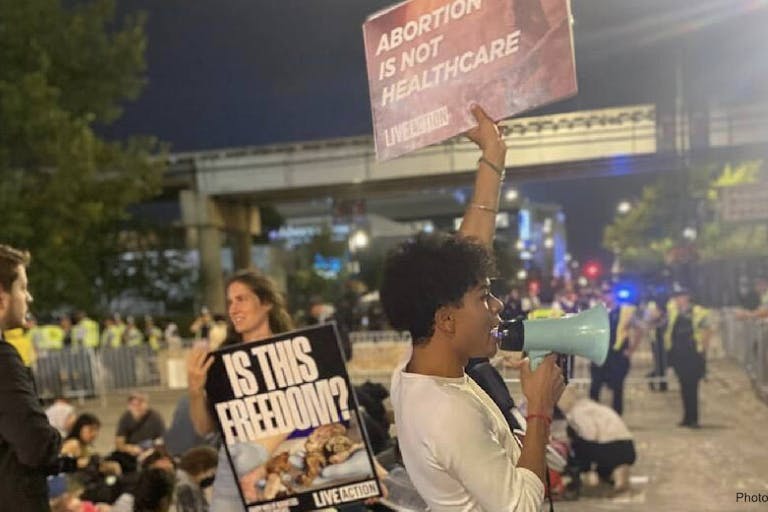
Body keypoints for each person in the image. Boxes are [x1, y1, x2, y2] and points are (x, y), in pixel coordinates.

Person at [380, 106, 565, 512]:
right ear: (446, 320)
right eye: (485, 297)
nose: (498, 306)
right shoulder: (449, 412)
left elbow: (466, 257)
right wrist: (538, 410)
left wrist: (493, 157)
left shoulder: (414, 373)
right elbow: (520, 507)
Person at [186, 270, 296, 511]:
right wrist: (195, 392)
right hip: (236, 465)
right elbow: (205, 428)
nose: (233, 309)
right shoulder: (222, 363)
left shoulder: (294, 353)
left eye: (241, 299)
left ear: (266, 303)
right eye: (230, 302)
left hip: (284, 461)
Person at [0, 244, 63, 511]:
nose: (29, 297)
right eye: (23, 288)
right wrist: (56, 440)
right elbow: (36, 443)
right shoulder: (2, 361)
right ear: (2, 298)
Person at [557, 387, 636, 497]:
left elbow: (591, 434)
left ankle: (577, 478)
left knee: (577, 446)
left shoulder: (578, 412)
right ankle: (609, 474)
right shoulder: (591, 405)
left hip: (612, 448)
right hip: (627, 447)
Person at [589, 288, 643, 415]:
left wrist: (631, 350)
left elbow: (640, 329)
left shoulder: (626, 311)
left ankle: (617, 416)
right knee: (595, 386)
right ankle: (593, 415)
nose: (606, 297)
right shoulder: (597, 311)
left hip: (617, 355)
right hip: (600, 354)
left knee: (617, 387)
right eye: (604, 294)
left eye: (609, 294)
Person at [665, 286, 711, 428]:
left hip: (693, 354)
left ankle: (694, 419)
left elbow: (706, 332)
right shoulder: (674, 312)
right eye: (676, 297)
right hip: (679, 354)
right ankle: (686, 417)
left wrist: (704, 351)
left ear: (687, 297)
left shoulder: (698, 312)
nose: (677, 300)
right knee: (683, 386)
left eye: (680, 297)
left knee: (692, 387)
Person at [113, 392, 166, 472]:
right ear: (129, 406)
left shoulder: (155, 417)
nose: (137, 408)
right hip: (132, 452)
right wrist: (130, 448)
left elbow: (162, 439)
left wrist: (150, 450)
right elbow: (119, 443)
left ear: (146, 405)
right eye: (133, 405)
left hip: (151, 450)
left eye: (140, 404)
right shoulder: (125, 418)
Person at [175, 445, 219, 512]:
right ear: (201, 467)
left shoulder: (190, 483)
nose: (209, 476)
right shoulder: (185, 487)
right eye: (211, 472)